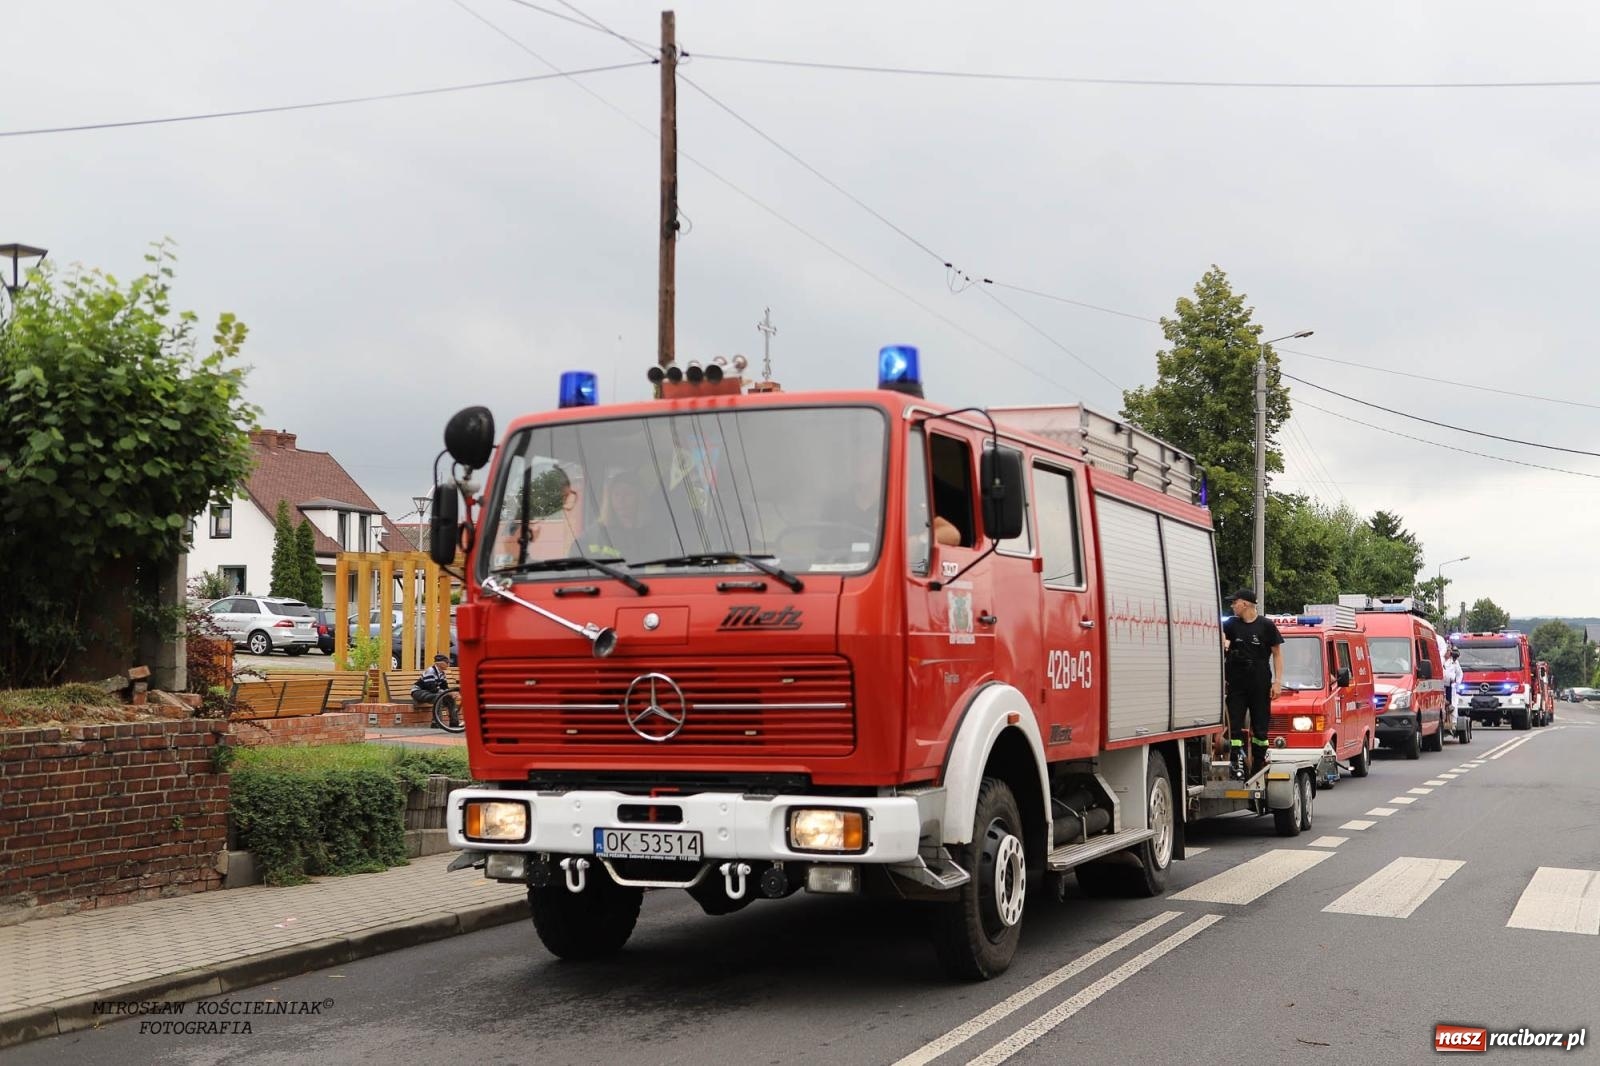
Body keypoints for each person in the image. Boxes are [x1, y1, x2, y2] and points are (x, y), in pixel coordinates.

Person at [1222, 589, 1284, 779]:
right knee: (1235, 722)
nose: (1232, 606)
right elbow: (1220, 637)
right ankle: (1237, 761)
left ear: (1246, 604)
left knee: (1260, 724)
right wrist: (1225, 643)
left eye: (1235, 602)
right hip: (1236, 679)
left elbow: (1277, 654)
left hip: (1259, 678)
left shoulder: (1266, 625)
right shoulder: (1231, 625)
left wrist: (1277, 682)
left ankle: (1259, 762)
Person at [1443, 648, 1463, 734]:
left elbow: (1459, 673)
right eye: (1447, 650)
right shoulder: (1441, 660)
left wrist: (1457, 683)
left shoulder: (1454, 662)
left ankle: (1453, 723)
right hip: (1441, 686)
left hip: (1451, 686)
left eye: (1449, 651)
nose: (1448, 652)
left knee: (1453, 705)